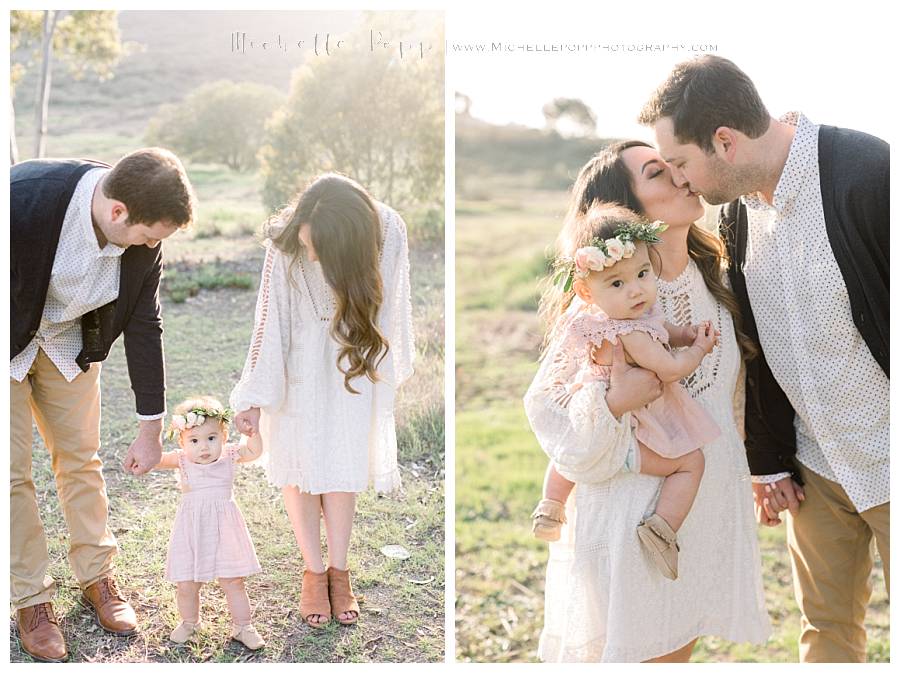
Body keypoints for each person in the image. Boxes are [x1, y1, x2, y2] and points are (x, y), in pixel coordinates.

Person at [639, 54, 889, 663]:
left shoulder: (871, 175)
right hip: (817, 469)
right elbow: (756, 344)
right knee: (827, 634)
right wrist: (771, 460)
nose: (681, 181)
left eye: (681, 163)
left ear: (724, 141)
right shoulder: (738, 215)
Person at [525, 140, 770, 662]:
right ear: (626, 213)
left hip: (696, 512)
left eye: (678, 166)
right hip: (628, 513)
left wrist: (765, 471)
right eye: (660, 173)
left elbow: (736, 395)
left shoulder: (718, 279)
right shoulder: (608, 307)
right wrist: (613, 402)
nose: (684, 178)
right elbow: (546, 408)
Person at [10, 148, 195, 662]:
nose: (151, 245)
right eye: (148, 235)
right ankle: (31, 599)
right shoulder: (21, 200)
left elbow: (144, 325)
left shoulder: (141, 235)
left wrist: (150, 425)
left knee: (81, 459)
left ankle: (97, 577)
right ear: (117, 212)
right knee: (11, 476)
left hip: (70, 347)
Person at [229, 173, 414, 629]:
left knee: (341, 466)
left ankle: (339, 569)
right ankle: (313, 570)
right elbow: (268, 320)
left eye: (319, 248)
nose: (310, 254)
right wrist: (253, 394)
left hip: (354, 363)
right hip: (295, 368)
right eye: (307, 244)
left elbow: (392, 308)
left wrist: (380, 375)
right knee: (297, 467)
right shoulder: (287, 237)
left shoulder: (388, 231)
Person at [530, 203, 720, 581]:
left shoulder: (600, 319)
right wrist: (698, 349)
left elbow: (664, 328)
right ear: (586, 290)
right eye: (617, 283)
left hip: (593, 414)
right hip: (625, 433)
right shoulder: (631, 332)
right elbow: (670, 369)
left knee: (567, 451)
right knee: (691, 462)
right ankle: (661, 528)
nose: (635, 290)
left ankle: (551, 504)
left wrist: (684, 334)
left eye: (643, 274)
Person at [154, 396, 265, 650]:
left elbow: (254, 451)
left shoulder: (229, 455)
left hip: (225, 527)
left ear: (224, 437)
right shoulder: (181, 459)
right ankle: (190, 622)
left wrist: (252, 433)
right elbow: (154, 459)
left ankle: (243, 625)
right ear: (182, 442)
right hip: (191, 529)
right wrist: (144, 451)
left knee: (233, 580)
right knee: (187, 583)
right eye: (194, 440)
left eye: (211, 438)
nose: (203, 447)